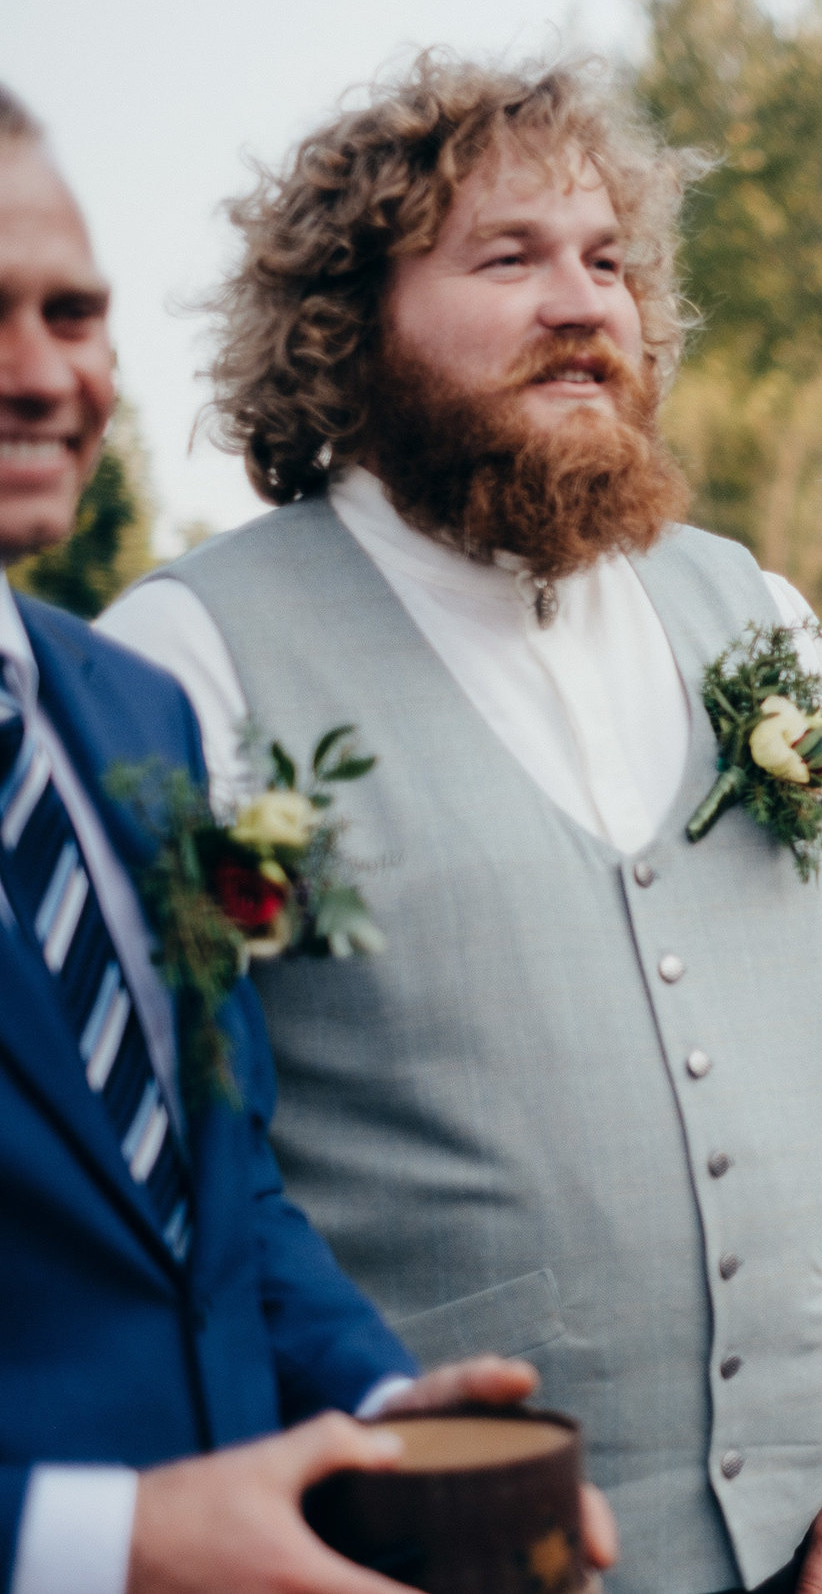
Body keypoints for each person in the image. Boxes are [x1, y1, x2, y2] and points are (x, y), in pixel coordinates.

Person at [97, 56, 822, 1594]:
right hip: (418, 1544)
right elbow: (164, 1169)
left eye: (609, 261)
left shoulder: (754, 612)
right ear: (349, 324)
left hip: (809, 1538)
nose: (584, 303)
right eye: (508, 258)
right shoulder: (186, 655)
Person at [0, 81, 614, 1594]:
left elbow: (215, 1189)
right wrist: (98, 1538)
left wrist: (379, 1404)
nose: (36, 373)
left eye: (71, 312)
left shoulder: (122, 711)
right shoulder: (202, 637)